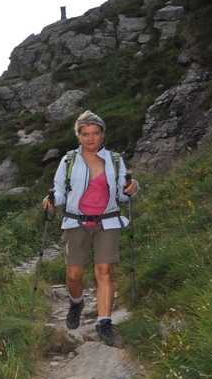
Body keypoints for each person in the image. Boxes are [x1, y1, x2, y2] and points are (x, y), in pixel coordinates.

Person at [42, 111, 139, 347]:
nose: (90, 138)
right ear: (79, 136)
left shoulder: (115, 160)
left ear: (103, 134)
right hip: (76, 222)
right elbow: (60, 193)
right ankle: (77, 302)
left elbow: (124, 194)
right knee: (74, 275)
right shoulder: (68, 161)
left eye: (95, 133)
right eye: (85, 134)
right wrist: (51, 200)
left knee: (104, 270)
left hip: (108, 221)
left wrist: (132, 189)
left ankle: (104, 323)